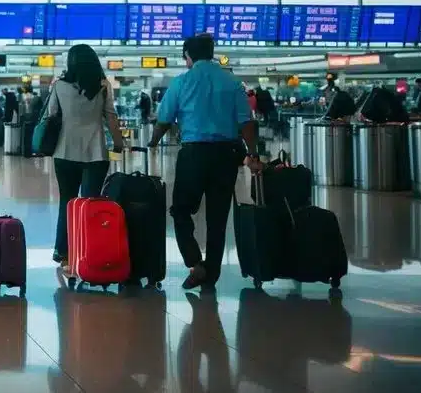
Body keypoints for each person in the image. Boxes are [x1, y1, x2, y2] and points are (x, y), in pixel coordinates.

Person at [149, 33, 260, 291]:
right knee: (217, 218)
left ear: (188, 56)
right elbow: (246, 122)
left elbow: (164, 120)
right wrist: (253, 153)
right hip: (226, 155)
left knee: (180, 210)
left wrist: (153, 142)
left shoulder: (181, 82)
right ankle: (211, 274)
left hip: (194, 155)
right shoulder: (232, 82)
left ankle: (194, 263)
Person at [46, 45, 127, 271]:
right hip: (95, 153)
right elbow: (111, 117)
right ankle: (88, 251)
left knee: (67, 201)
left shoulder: (59, 86)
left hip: (64, 152)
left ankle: (63, 252)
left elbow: (51, 115)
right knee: (90, 204)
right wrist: (119, 143)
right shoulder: (103, 87)